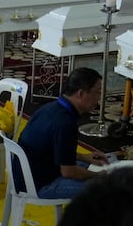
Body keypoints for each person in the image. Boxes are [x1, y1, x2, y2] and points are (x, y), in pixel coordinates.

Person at [17, 67, 107, 199]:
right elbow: (69, 172)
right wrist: (99, 176)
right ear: (81, 93)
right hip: (39, 184)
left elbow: (52, 149)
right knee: (109, 187)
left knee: (94, 165)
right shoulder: (65, 123)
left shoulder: (49, 108)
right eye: (97, 93)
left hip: (26, 173)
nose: (98, 98)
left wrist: (84, 157)